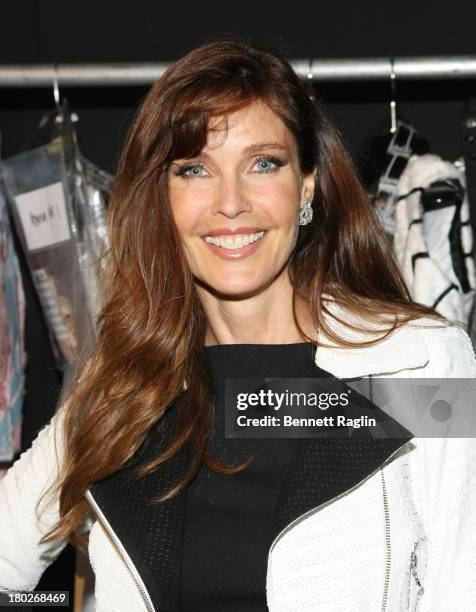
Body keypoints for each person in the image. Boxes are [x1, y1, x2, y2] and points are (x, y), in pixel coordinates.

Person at [1, 35, 475, 612]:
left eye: (263, 163)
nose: (231, 202)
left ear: (306, 185)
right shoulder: (124, 385)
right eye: (195, 169)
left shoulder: (416, 364)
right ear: (161, 197)